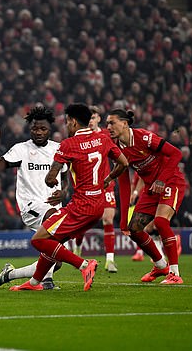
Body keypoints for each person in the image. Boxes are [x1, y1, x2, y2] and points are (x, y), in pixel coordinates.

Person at [10, 103, 128, 292]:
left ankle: (83, 265)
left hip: (80, 207)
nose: (66, 126)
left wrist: (51, 180)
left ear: (73, 121)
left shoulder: (68, 144)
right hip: (99, 205)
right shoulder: (102, 139)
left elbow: (50, 178)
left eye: (67, 122)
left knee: (38, 240)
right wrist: (108, 179)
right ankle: (33, 283)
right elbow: (123, 163)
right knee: (53, 242)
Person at [0, 105, 68, 290]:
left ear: (50, 130)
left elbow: (66, 178)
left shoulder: (59, 149)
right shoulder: (21, 149)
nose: (38, 132)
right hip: (31, 206)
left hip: (55, 208)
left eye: (43, 129)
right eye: (34, 128)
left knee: (56, 260)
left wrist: (64, 192)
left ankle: (9, 275)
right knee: (52, 220)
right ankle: (47, 281)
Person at [106, 108, 186, 284]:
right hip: (151, 188)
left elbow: (176, 154)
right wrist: (123, 217)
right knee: (134, 229)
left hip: (171, 181)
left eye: (112, 122)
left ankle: (174, 273)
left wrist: (162, 180)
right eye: (107, 124)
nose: (108, 127)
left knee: (160, 222)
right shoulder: (117, 149)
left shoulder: (143, 137)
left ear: (125, 123)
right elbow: (124, 182)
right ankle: (160, 265)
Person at [72, 106, 119, 273]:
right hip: (86, 187)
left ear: (99, 119)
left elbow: (118, 155)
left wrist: (111, 176)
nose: (91, 121)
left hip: (105, 185)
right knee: (83, 224)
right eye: (89, 118)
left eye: (94, 118)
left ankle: (110, 260)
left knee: (108, 220)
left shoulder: (107, 135)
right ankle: (77, 248)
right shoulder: (78, 137)